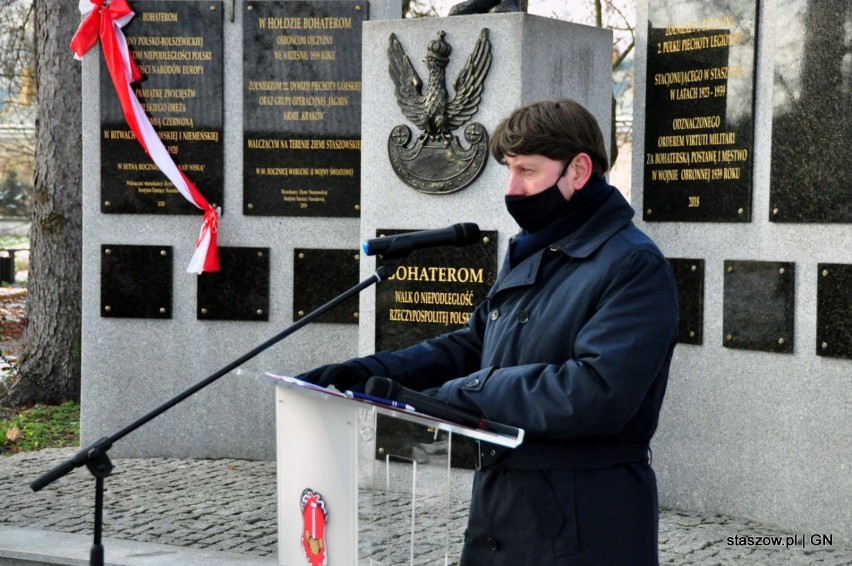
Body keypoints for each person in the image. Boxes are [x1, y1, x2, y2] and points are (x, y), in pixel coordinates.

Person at [297, 98, 679, 565]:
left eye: (528, 171)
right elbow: (475, 344)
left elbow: (597, 392)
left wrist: (467, 393)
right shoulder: (537, 250)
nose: (513, 189)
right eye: (509, 171)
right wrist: (366, 374)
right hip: (502, 511)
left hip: (583, 520)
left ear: (578, 170)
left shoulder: (632, 264)